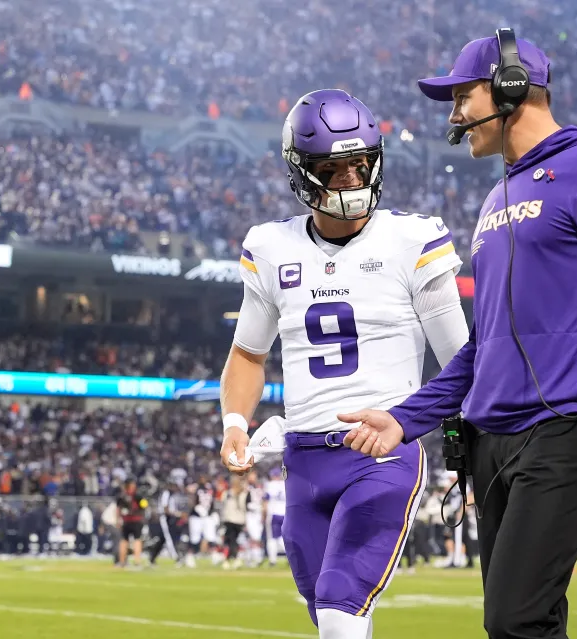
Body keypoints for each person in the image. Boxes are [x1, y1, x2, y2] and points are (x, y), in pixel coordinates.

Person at [338, 29, 577, 638]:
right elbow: (483, 346)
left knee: (517, 619)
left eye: (461, 96)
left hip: (571, 421)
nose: (455, 114)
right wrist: (404, 419)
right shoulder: (496, 198)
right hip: (492, 435)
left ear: (510, 88)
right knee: (522, 623)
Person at [219, 88, 470, 638]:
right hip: (303, 462)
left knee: (339, 608)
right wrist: (235, 423)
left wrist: (469, 452)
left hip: (382, 453)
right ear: (302, 172)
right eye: (334, 169)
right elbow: (246, 354)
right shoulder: (270, 247)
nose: (353, 180)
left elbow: (462, 360)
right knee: (332, 620)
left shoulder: (413, 239)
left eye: (361, 165)